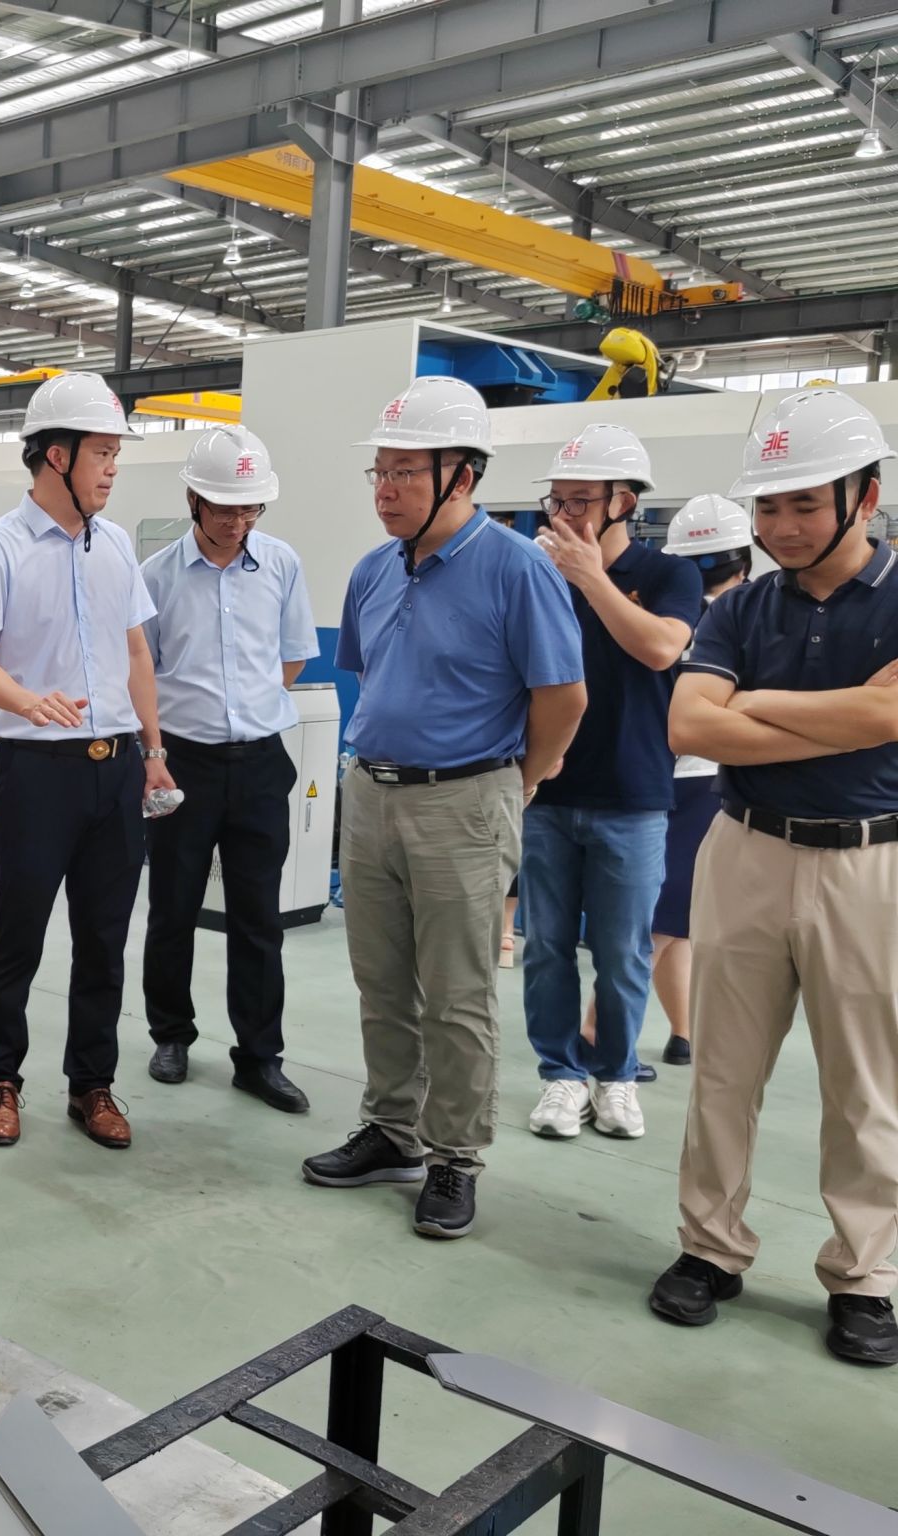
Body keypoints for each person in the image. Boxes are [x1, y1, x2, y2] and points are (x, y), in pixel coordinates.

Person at [302, 376, 585, 1240]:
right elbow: (370, 676)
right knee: (382, 982)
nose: (385, 491)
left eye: (405, 474)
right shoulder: (372, 571)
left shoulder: (517, 569)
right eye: (380, 473)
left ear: (461, 476)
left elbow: (563, 698)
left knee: (457, 996)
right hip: (371, 794)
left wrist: (519, 782)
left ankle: (455, 1156)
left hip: (466, 801)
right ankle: (392, 1131)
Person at [649, 389, 898, 1368]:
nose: (781, 526)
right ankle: (709, 1249)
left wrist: (752, 703)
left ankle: (863, 1276)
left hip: (868, 863)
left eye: (804, 503)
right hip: (745, 849)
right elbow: (689, 725)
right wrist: (849, 713)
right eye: (768, 506)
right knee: (724, 1066)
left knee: (865, 1082)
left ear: (862, 496)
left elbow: (890, 719)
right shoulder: (742, 606)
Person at [0, 372, 174, 1151]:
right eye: (102, 454)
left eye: (116, 454)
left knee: (105, 939)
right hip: (36, 771)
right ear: (56, 455)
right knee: (18, 933)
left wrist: (154, 752)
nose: (112, 469)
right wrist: (23, 700)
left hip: (117, 770)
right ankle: (1, 1081)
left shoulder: (116, 545)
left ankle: (92, 1085)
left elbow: (136, 653)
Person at [518, 426, 703, 1144]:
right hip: (549, 792)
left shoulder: (668, 575)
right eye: (556, 501)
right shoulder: (538, 573)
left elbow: (660, 648)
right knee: (546, 946)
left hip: (633, 795)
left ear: (624, 501)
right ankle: (561, 1074)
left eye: (580, 502)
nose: (563, 515)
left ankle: (616, 1075)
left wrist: (591, 577)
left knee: (624, 951)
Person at [139, 423, 318, 1112]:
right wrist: (156, 755)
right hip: (183, 765)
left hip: (262, 763)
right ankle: (171, 1035)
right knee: (173, 908)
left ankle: (260, 1056)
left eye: (251, 510)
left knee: (258, 917)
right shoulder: (156, 576)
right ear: (193, 500)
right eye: (225, 510)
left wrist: (245, 705)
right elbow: (143, 675)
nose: (239, 523)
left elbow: (292, 656)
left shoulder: (281, 564)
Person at [643, 495, 755, 1067]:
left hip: (654, 777)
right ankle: (594, 1031)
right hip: (702, 782)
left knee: (671, 920)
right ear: (744, 562)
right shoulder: (744, 623)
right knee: (662, 921)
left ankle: (682, 1032)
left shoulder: (659, 620)